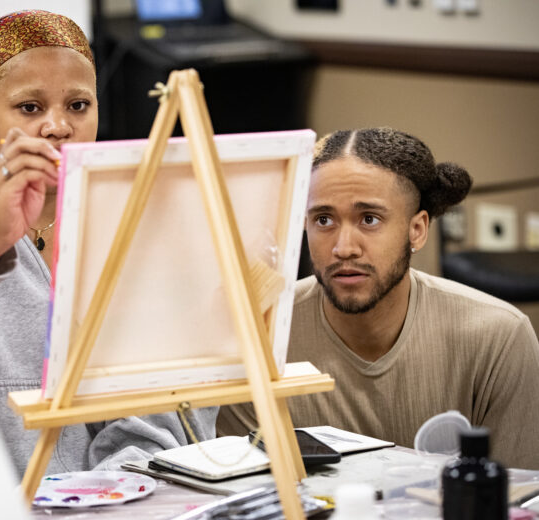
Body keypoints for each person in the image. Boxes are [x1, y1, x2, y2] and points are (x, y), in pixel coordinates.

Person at [0, 10, 216, 477]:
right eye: (30, 107)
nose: (58, 126)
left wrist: (103, 498)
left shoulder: (130, 216)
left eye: (78, 105)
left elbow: (156, 404)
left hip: (118, 501)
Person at [217, 127, 539, 469]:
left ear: (417, 229)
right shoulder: (258, 332)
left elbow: (521, 507)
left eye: (369, 219)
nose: (344, 248)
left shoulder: (498, 337)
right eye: (323, 219)